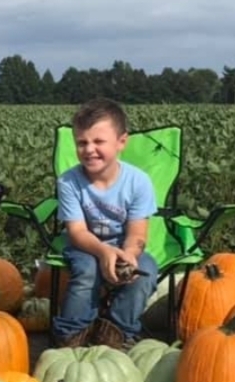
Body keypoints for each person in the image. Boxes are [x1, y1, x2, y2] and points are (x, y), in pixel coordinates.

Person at [52, 98, 159, 350]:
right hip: (85, 246)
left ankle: (117, 331)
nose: (89, 149)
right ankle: (71, 333)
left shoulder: (138, 182)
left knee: (144, 271)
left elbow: (137, 233)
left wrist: (129, 255)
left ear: (121, 142)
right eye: (82, 142)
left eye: (98, 142)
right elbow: (77, 232)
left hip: (124, 245)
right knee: (87, 270)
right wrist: (103, 252)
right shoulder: (69, 182)